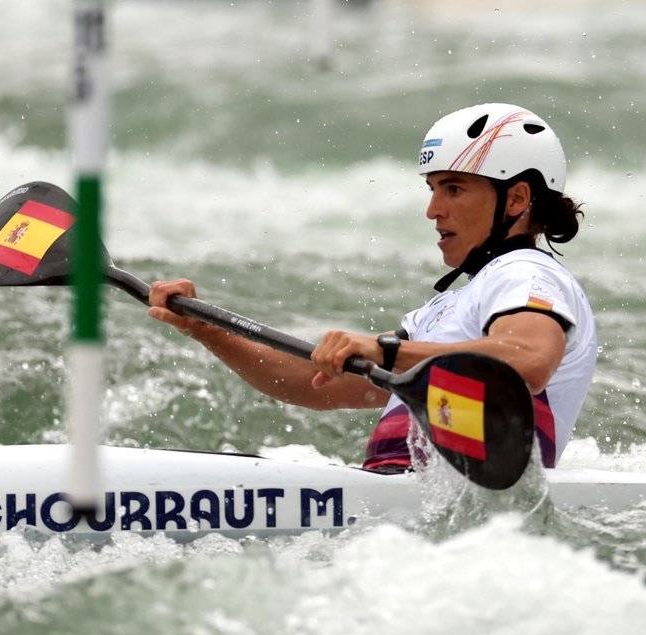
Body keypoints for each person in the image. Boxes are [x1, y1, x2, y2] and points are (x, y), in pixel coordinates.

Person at [147, 103, 597, 471]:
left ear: (516, 199)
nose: (433, 210)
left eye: (454, 189)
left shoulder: (526, 274)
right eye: (432, 189)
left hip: (470, 502)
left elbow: (529, 359)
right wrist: (205, 329)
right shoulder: (445, 310)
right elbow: (317, 384)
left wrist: (385, 352)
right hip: (411, 500)